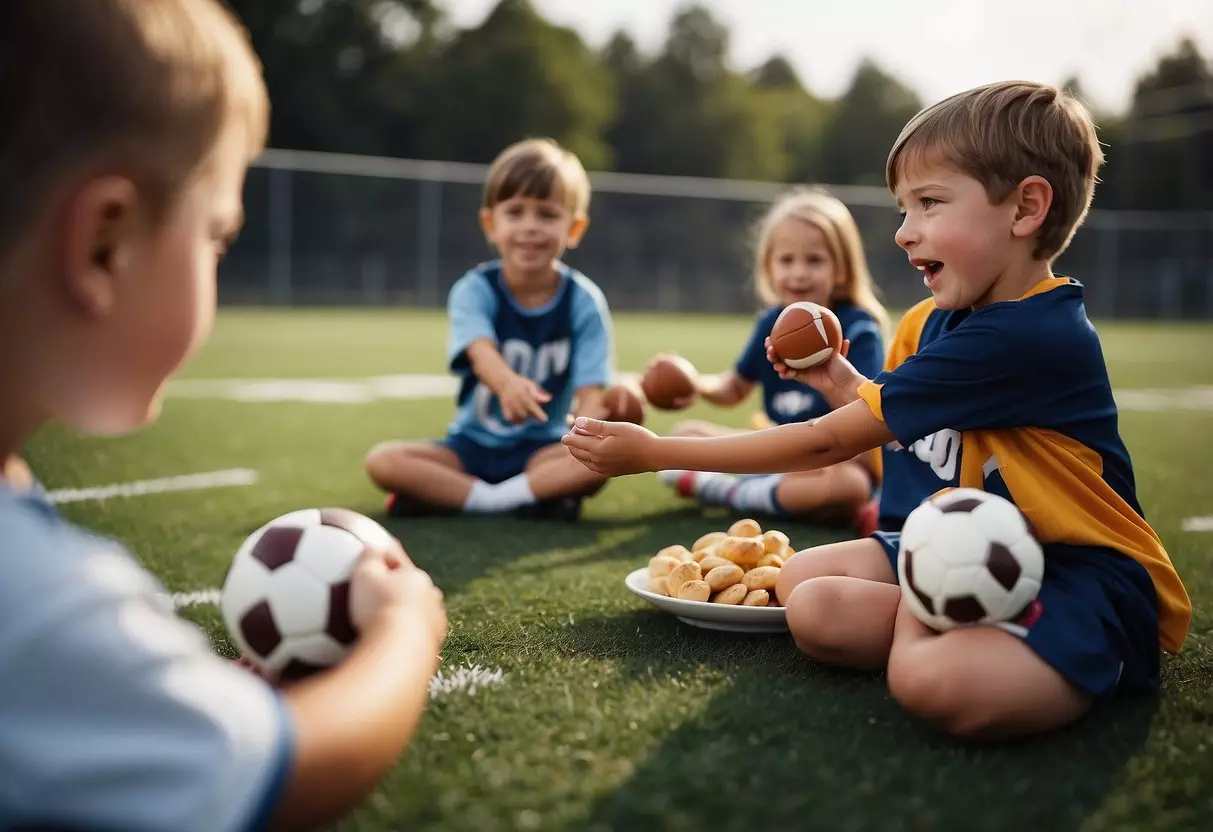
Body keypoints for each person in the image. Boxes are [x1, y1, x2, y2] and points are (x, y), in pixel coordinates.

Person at [563, 81, 1190, 741]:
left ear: (1025, 207)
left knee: (929, 684)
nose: (902, 232)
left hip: (1074, 574)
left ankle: (1080, 652)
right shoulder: (928, 322)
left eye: (928, 203)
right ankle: (961, 621)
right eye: (901, 208)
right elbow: (894, 427)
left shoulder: (1029, 334)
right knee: (806, 592)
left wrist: (654, 453)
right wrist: (838, 377)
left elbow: (824, 444)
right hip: (956, 548)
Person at [0, 2, 446, 828]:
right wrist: (405, 634)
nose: (218, 259)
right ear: (105, 244)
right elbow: (288, 775)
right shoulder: (32, 600)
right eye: (217, 237)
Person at [366, 138, 614, 522]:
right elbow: (480, 351)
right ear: (491, 224)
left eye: (547, 215)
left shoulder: (583, 301)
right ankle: (512, 499)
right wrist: (506, 383)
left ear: (574, 229)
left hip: (544, 449)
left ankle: (465, 498)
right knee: (383, 461)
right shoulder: (474, 289)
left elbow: (591, 394)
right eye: (515, 212)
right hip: (469, 449)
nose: (530, 226)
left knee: (597, 464)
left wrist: (594, 432)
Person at [652, 187, 887, 531]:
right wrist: (694, 383)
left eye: (814, 260)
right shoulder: (771, 323)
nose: (799, 273)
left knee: (849, 486)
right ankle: (770, 494)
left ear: (841, 268)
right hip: (781, 453)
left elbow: (864, 421)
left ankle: (731, 493)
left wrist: (830, 377)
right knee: (687, 433)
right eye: (787, 260)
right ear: (769, 266)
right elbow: (734, 388)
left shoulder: (859, 328)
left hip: (833, 457)